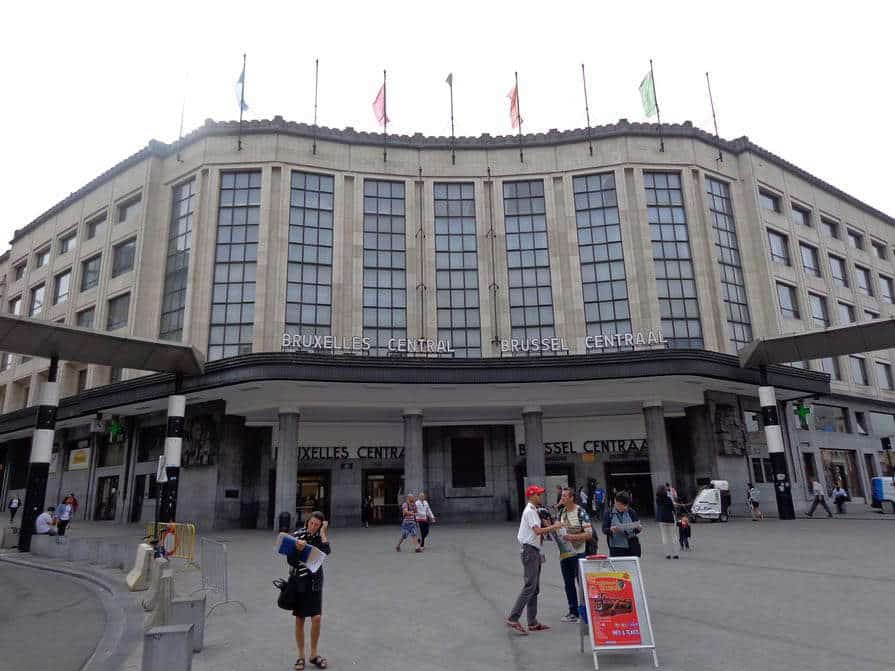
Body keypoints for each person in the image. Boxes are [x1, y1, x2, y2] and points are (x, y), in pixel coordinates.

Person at [506, 485, 561, 635]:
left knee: (534, 587)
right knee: (530, 586)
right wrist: (555, 527)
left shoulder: (533, 510)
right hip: (530, 551)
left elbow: (537, 533)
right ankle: (513, 617)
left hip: (533, 551)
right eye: (538, 494)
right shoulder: (530, 511)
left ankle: (532, 622)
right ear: (531, 496)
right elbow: (537, 531)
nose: (540, 497)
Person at [287, 511, 331, 670]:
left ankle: (313, 654)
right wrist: (297, 549)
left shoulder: (319, 537)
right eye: (311, 523)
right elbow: (290, 559)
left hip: (315, 582)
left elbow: (327, 551)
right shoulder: (298, 535)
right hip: (299, 581)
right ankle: (300, 656)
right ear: (307, 522)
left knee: (317, 618)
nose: (313, 527)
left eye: (317, 525)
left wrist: (323, 532)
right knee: (299, 618)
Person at [557, 487, 592, 623]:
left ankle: (584, 612)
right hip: (565, 553)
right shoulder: (562, 512)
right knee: (568, 583)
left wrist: (572, 537)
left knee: (581, 583)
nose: (562, 498)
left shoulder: (581, 512)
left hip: (579, 552)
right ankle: (573, 612)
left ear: (572, 498)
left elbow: (589, 534)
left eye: (565, 496)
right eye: (562, 496)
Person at [602, 492, 642, 557]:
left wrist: (639, 529)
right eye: (616, 504)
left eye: (620, 505)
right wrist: (611, 530)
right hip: (616, 546)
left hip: (631, 545)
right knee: (618, 566)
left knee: (631, 566)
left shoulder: (631, 512)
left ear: (626, 505)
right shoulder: (609, 513)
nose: (616, 506)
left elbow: (636, 529)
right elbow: (604, 530)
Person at [655, 485, 679, 559]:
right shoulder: (668, 499)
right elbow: (673, 509)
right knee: (673, 536)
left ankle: (667, 554)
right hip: (670, 519)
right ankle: (675, 554)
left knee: (664, 536)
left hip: (661, 519)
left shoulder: (657, 499)